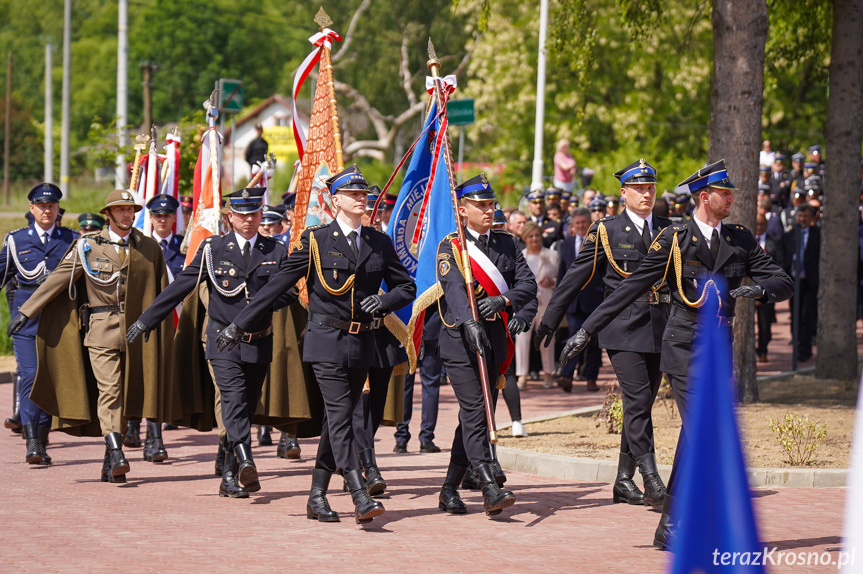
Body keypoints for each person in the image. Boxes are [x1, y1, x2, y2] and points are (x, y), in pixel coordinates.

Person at [558, 159, 793, 549]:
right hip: (683, 346)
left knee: (695, 433)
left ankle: (670, 523)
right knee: (704, 429)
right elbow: (630, 289)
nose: (732, 197)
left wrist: (761, 291)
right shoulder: (675, 239)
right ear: (705, 197)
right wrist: (585, 330)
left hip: (718, 350)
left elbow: (781, 278)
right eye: (725, 193)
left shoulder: (739, 239)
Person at [214, 165, 416, 524]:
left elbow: (406, 287)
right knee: (341, 418)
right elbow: (275, 287)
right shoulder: (316, 241)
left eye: (363, 193)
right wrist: (238, 325)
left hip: (363, 342)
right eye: (352, 194)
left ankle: (316, 496)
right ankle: (358, 493)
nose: (361, 198)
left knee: (335, 424)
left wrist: (385, 302)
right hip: (326, 343)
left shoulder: (378, 242)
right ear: (334, 200)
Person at [9, 189, 178, 483]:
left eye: (130, 210)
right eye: (120, 210)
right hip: (101, 330)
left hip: (138, 334)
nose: (127, 214)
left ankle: (107, 460)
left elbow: (162, 294)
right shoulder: (88, 245)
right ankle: (116, 451)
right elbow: (59, 278)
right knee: (110, 390)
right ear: (108, 214)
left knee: (126, 395)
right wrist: (26, 311)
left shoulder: (149, 248)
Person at [538, 159, 673, 508]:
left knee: (637, 406)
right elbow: (576, 277)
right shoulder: (606, 230)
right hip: (622, 328)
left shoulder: (670, 229)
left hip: (660, 326)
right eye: (639, 189)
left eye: (650, 188)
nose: (646, 194)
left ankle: (623, 480)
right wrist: (550, 320)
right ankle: (651, 477)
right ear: (623, 192)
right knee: (640, 400)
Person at [434, 173, 536, 517]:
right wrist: (469, 321)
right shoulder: (452, 246)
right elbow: (454, 291)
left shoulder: (506, 244)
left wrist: (504, 301)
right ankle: (488, 485)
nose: (488, 210)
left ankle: (449, 488)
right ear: (463, 210)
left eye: (490, 204)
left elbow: (528, 285)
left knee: (474, 417)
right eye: (480, 205)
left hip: (494, 338)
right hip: (460, 341)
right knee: (477, 410)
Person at [0, 184, 78, 464]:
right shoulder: (15, 240)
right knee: (32, 376)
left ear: (58, 210)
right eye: (41, 205)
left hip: (59, 320)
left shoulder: (73, 239)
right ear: (32, 209)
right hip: (26, 320)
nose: (47, 210)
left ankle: (42, 435)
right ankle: (33, 440)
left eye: (52, 205)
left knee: (51, 379)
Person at [122, 193, 186, 458]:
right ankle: (133, 425)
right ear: (150, 218)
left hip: (177, 322)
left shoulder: (186, 247)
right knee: (138, 373)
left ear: (175, 217)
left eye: (167, 215)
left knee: (159, 376)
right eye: (157, 215)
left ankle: (155, 437)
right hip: (142, 319)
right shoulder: (138, 246)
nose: (162, 219)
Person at [549, 207, 603, 393]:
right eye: (577, 223)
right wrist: (560, 299)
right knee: (572, 338)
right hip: (574, 302)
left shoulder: (600, 243)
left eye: (583, 223)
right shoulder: (565, 245)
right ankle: (566, 376)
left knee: (594, 343)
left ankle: (591, 378)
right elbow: (562, 274)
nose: (580, 226)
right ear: (572, 225)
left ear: (590, 224)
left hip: (595, 300)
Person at [394, 304, 444, 453]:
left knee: (405, 386)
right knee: (431, 386)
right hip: (432, 329)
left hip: (407, 328)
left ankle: (401, 439)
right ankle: (427, 439)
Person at [514, 221, 558, 390]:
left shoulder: (552, 255)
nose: (534, 239)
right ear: (525, 238)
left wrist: (551, 281)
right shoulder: (520, 256)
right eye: (530, 236)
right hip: (525, 305)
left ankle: (548, 373)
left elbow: (561, 280)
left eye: (537, 235)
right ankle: (522, 376)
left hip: (546, 302)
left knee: (547, 338)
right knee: (522, 339)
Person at [783, 204, 819, 362]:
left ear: (811, 218)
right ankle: (798, 344)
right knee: (795, 314)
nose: (802, 219)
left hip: (810, 282)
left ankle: (805, 349)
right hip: (794, 282)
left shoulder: (818, 235)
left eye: (805, 216)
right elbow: (784, 258)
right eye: (800, 216)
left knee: (807, 316)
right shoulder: (790, 235)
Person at [755, 214, 785, 362]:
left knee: (764, 322)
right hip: (748, 288)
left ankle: (763, 349)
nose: (758, 228)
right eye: (756, 225)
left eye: (761, 224)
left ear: (766, 225)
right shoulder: (748, 242)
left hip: (767, 289)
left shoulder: (775, 242)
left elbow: (779, 266)